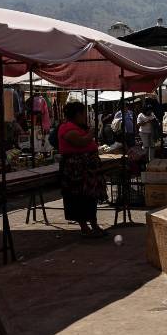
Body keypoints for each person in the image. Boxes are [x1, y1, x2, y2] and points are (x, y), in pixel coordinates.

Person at [58, 101, 108, 238]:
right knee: (79, 197)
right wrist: (91, 133)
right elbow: (80, 142)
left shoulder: (78, 126)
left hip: (88, 169)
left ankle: (94, 224)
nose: (85, 116)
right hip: (76, 170)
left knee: (90, 198)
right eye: (83, 113)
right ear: (77, 114)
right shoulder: (66, 127)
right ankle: (85, 227)